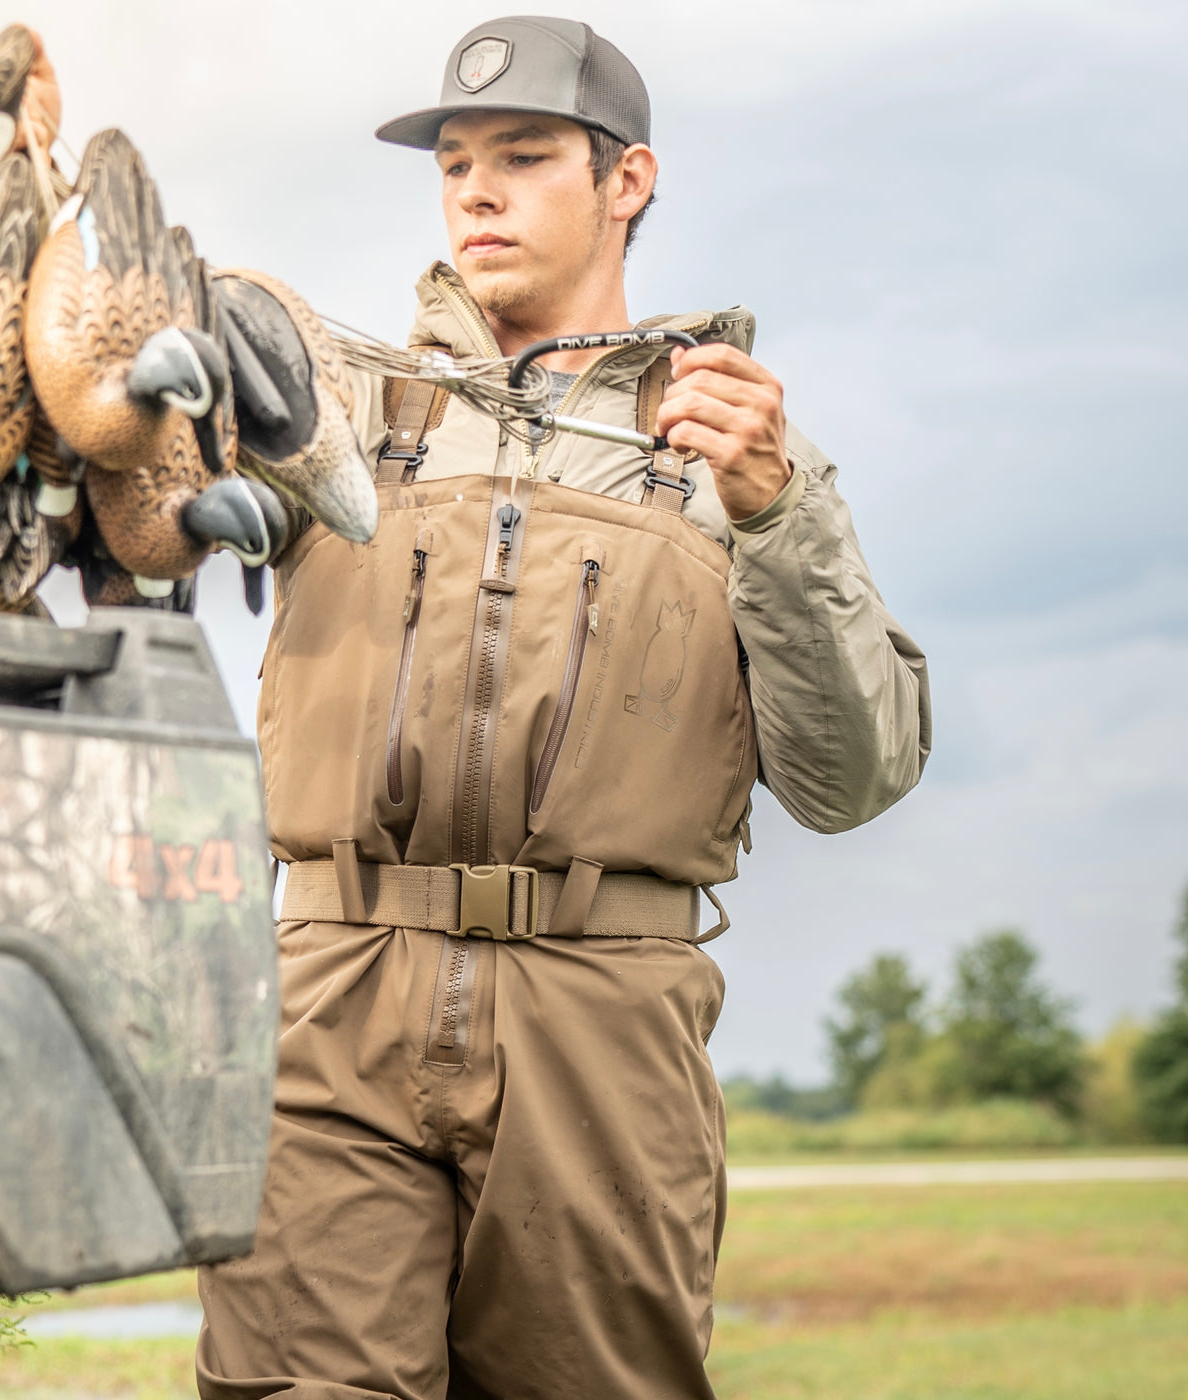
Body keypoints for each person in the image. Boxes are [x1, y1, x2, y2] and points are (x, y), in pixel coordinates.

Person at [196, 15, 930, 1400]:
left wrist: (781, 523)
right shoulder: (335, 408)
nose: (475, 189)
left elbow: (857, 775)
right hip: (333, 988)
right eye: (455, 161)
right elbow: (137, 511)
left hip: (605, 1015)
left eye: (523, 157)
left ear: (627, 182)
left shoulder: (737, 448)